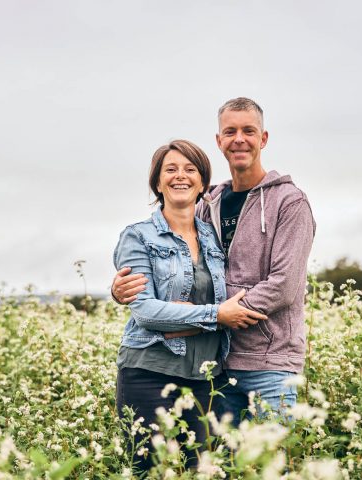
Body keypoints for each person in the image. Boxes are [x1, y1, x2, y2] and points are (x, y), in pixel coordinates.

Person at [113, 98, 316, 425]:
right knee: (218, 467)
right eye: (230, 131)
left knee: (274, 466)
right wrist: (122, 289)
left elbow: (285, 286)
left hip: (270, 365)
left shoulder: (289, 202)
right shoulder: (210, 205)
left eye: (249, 131)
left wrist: (220, 315)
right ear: (219, 141)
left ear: (263, 139)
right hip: (217, 368)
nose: (239, 139)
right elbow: (187, 274)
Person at [113, 139, 267, 471]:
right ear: (157, 181)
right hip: (149, 374)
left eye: (190, 169)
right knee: (152, 471)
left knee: (209, 470)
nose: (180, 176)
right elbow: (146, 311)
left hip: (207, 378)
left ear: (202, 183)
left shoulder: (214, 237)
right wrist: (217, 315)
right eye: (170, 169)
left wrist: (191, 317)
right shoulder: (138, 237)